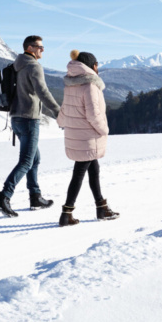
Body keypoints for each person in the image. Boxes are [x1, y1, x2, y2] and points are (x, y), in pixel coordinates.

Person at [0, 35, 61, 218]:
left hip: (16, 118)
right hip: (29, 119)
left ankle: (35, 197)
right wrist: (57, 111)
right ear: (30, 48)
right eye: (39, 47)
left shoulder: (17, 65)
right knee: (26, 161)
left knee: (34, 159)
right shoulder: (34, 66)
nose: (42, 50)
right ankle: (3, 197)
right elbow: (42, 91)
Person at [56, 49, 119, 227]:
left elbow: (64, 110)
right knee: (79, 173)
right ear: (92, 66)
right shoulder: (90, 86)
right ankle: (66, 213)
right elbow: (93, 114)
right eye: (97, 65)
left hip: (76, 134)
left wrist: (62, 122)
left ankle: (101, 207)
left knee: (93, 170)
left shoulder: (70, 84)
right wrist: (104, 130)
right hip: (88, 136)